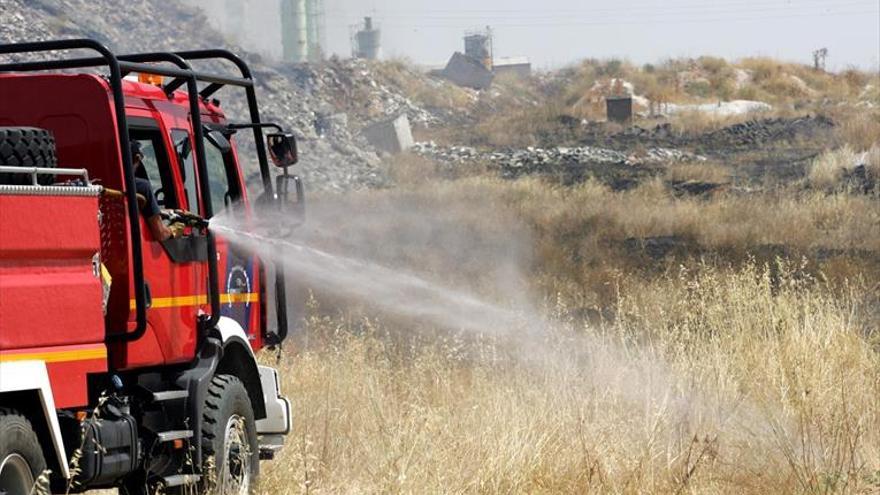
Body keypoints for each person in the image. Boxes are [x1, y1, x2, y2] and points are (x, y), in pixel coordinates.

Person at [130, 141, 173, 241]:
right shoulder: (142, 187)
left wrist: (167, 212)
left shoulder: (103, 183)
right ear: (137, 158)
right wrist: (174, 229)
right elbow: (161, 234)